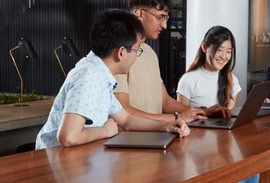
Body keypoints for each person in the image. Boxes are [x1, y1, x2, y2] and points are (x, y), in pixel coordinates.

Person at [35, 9, 189, 150]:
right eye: (137, 50)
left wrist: (167, 126)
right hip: (54, 163)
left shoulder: (102, 75)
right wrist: (104, 131)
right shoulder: (90, 76)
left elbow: (127, 120)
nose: (137, 55)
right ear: (121, 53)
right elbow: (68, 137)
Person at [176, 26, 257, 183]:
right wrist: (204, 111)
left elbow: (230, 115)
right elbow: (180, 117)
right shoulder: (188, 79)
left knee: (253, 170)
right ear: (205, 48)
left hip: (223, 149)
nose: (224, 56)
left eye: (229, 51)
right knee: (250, 174)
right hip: (196, 151)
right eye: (220, 50)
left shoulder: (231, 79)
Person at [114, 0, 222, 124]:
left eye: (166, 18)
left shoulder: (149, 53)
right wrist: (176, 118)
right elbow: (124, 111)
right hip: (130, 141)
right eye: (160, 17)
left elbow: (164, 100)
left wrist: (200, 111)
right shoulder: (120, 54)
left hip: (156, 137)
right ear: (140, 13)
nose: (164, 25)